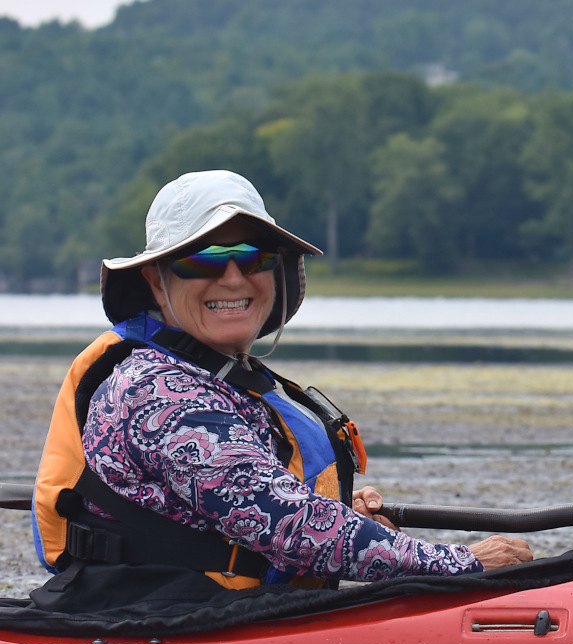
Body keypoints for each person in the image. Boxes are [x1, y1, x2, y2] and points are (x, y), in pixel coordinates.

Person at [32, 169, 532, 590]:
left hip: (224, 616)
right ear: (154, 279)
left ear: (278, 273)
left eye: (253, 256)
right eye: (201, 258)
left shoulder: (218, 378)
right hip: (163, 626)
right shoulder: (157, 393)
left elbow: (255, 504)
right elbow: (290, 526)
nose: (231, 278)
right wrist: (466, 566)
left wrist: (338, 508)